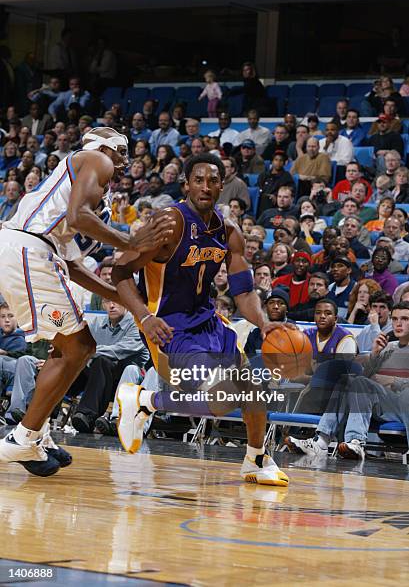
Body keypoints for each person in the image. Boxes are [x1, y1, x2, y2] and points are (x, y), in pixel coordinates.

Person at [0, 127, 174, 477]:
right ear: (105, 147)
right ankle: (22, 437)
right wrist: (131, 242)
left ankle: (37, 434)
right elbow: (80, 218)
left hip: (36, 253)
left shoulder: (83, 193)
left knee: (71, 347)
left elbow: (76, 267)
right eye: (122, 151)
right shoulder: (95, 160)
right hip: (27, 249)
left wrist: (135, 305)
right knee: (78, 347)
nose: (126, 161)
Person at [112, 153, 290, 486]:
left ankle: (256, 459)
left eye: (212, 180)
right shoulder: (169, 222)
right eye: (198, 180)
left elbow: (242, 290)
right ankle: (142, 400)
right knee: (220, 398)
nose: (206, 186)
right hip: (167, 325)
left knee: (251, 387)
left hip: (207, 321)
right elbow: (120, 271)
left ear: (223, 185)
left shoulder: (228, 231)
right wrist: (144, 316)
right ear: (186, 185)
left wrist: (263, 323)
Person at [287, 301, 409, 461]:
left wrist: (393, 380)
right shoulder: (388, 347)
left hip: (403, 405)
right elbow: (365, 379)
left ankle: (353, 441)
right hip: (381, 405)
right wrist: (374, 354)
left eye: (405, 319)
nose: (398, 323)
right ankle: (323, 441)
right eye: (395, 319)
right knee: (348, 380)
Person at [70, 298, 149, 433]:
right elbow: (80, 345)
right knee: (70, 363)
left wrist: (87, 352)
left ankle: (86, 415)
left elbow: (118, 350)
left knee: (102, 360)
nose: (112, 305)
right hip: (98, 381)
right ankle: (43, 410)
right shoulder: (96, 324)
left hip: (127, 382)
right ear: (102, 305)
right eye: (107, 301)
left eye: (116, 301)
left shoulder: (137, 325)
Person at [244, 287, 291, 357]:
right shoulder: (255, 332)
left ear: (287, 308)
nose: (275, 306)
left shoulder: (295, 330)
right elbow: (248, 362)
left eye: (281, 303)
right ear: (266, 307)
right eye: (271, 303)